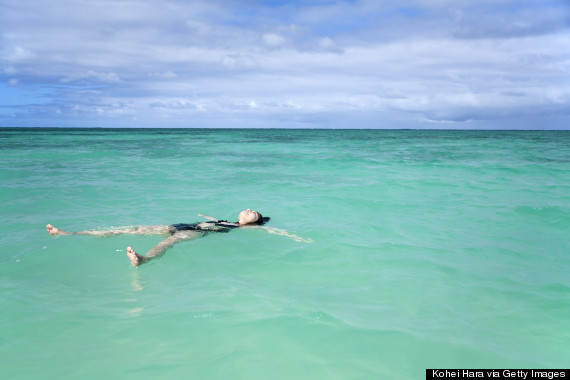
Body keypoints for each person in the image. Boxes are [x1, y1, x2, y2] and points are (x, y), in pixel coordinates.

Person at [46, 209, 270, 266]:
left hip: (195, 232)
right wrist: (206, 215)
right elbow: (212, 218)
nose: (249, 209)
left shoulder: (243, 228)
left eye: (254, 213)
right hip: (182, 224)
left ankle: (144, 259)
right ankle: (69, 233)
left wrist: (298, 238)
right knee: (131, 229)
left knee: (168, 242)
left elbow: (274, 230)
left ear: (254, 223)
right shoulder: (225, 220)